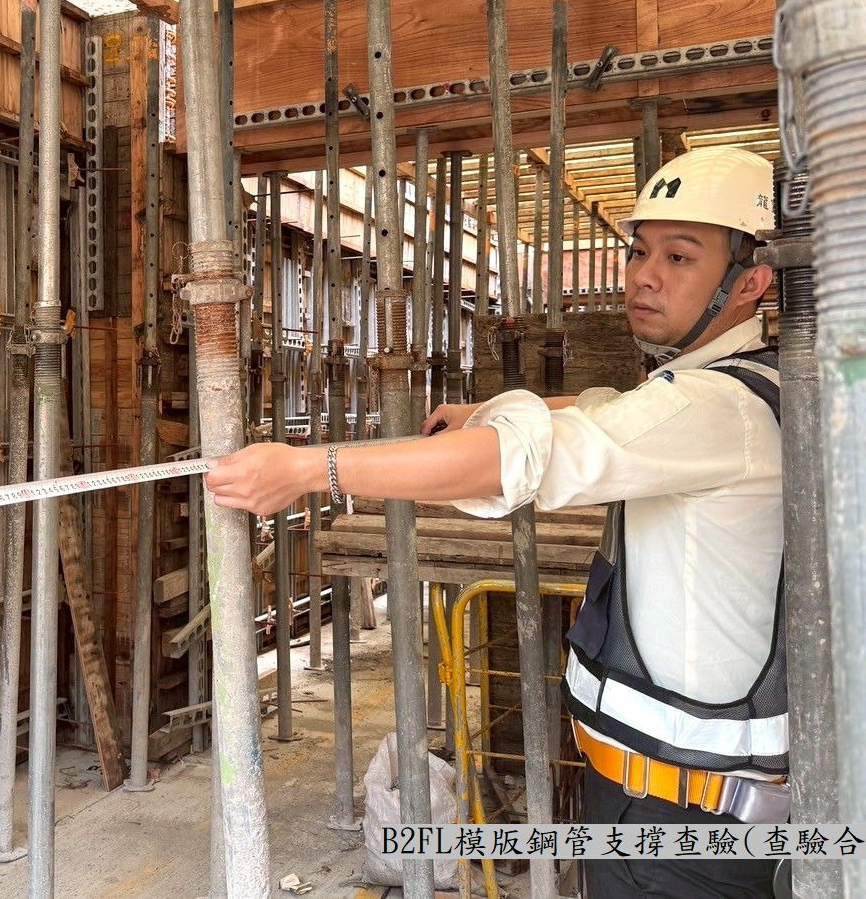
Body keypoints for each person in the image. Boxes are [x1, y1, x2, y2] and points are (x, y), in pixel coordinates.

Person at [205, 146, 787, 898]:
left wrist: (309, 470)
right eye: (639, 250)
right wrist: (483, 409)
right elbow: (611, 409)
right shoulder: (737, 382)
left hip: (685, 829)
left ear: (750, 282)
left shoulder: (715, 407)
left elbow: (518, 458)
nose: (644, 275)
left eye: (679, 257)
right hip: (669, 799)